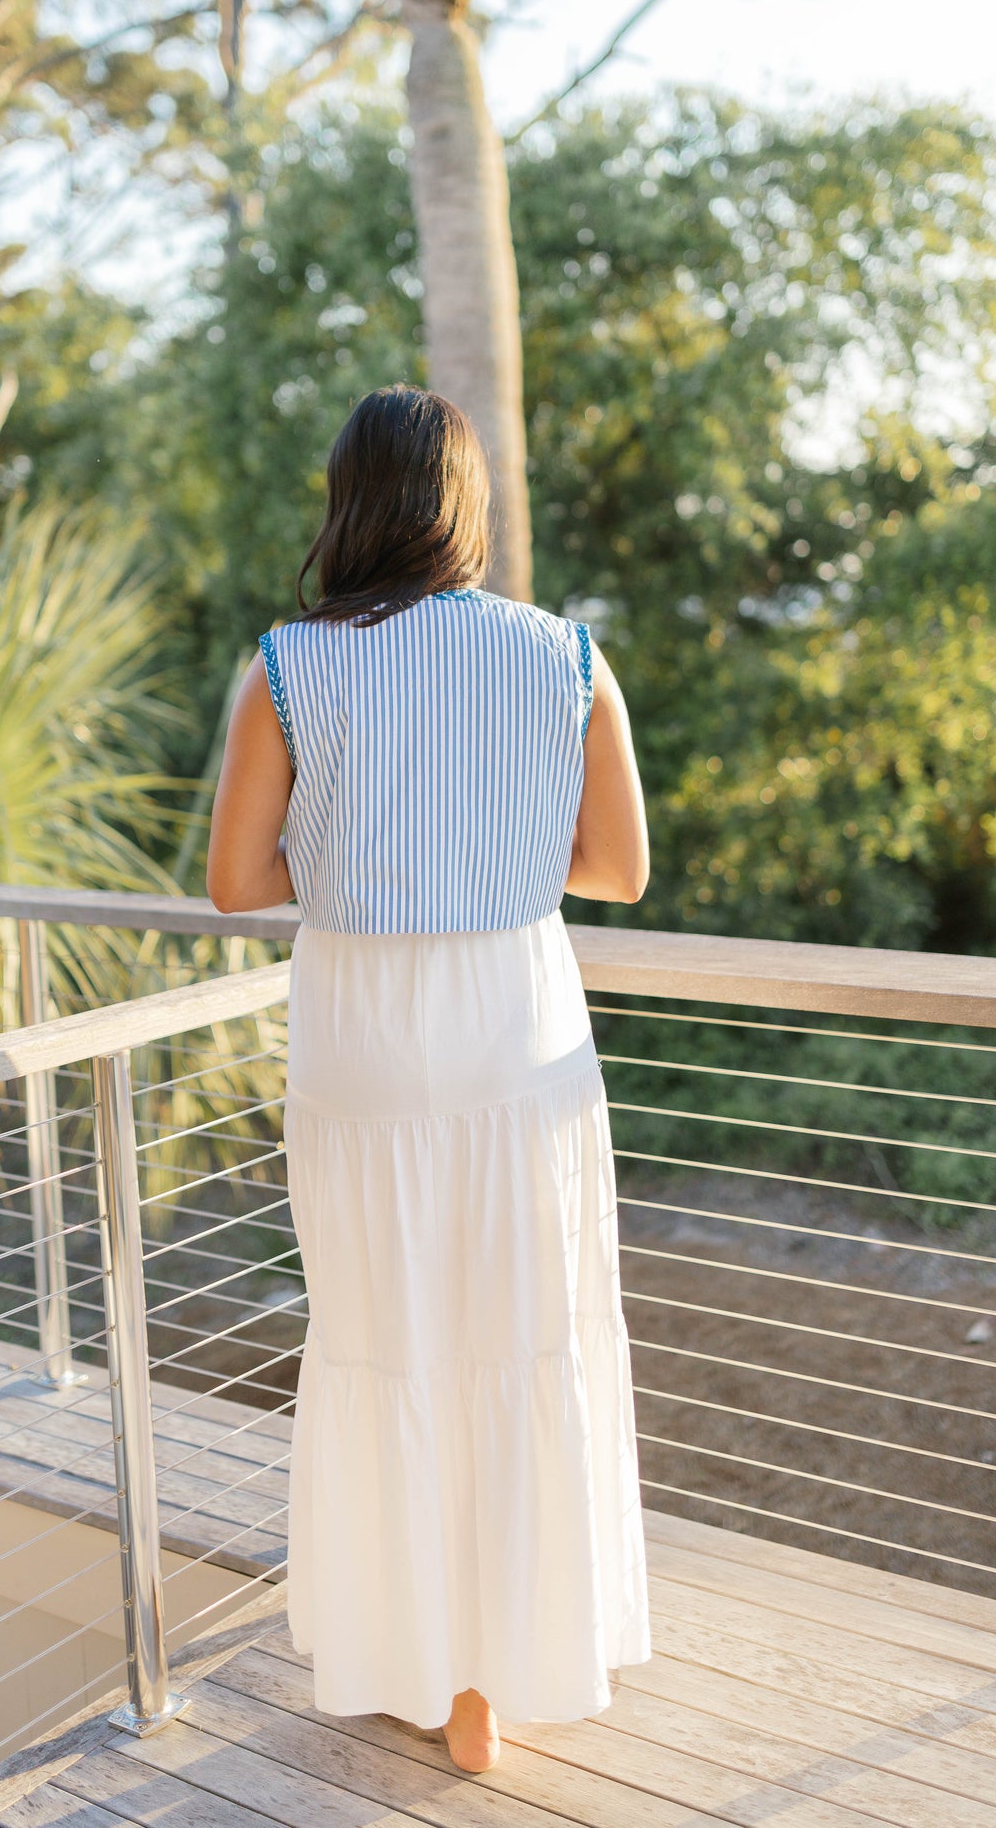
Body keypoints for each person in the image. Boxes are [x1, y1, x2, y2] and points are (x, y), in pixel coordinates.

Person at [207, 384, 651, 1775]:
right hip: (516, 1026)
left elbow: (233, 886)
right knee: (522, 1334)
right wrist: (496, 867)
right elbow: (619, 871)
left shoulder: (287, 665)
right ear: (465, 503)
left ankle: (419, 1659)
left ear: (345, 503)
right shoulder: (566, 656)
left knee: (385, 1340)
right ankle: (495, 1688)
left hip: (367, 1034)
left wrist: (357, 865)